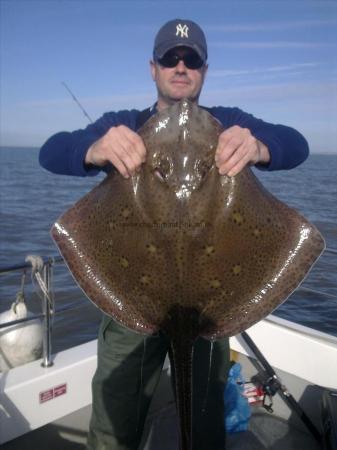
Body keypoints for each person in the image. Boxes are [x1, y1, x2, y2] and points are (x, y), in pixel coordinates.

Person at [39, 18, 309, 450]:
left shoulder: (229, 123)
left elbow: (296, 143)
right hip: (128, 297)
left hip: (212, 307)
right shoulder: (124, 124)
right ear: (154, 68)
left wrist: (259, 145)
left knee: (202, 426)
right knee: (114, 426)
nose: (180, 67)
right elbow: (50, 151)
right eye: (170, 58)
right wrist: (92, 149)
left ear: (204, 69)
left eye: (192, 59)